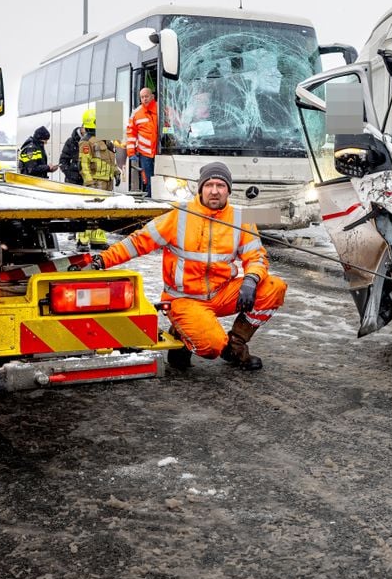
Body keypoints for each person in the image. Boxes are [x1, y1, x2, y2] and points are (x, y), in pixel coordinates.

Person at [91, 161, 285, 371]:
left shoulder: (240, 218)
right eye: (209, 185)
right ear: (200, 188)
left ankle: (236, 346)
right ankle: (182, 334)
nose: (214, 191)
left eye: (220, 186)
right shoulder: (179, 215)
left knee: (274, 287)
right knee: (211, 347)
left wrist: (251, 279)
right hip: (184, 298)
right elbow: (138, 242)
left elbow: (256, 256)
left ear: (228, 190)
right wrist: (102, 260)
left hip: (221, 293)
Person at [76, 107, 120, 249]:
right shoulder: (86, 141)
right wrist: (89, 182)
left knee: (102, 212)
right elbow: (84, 164)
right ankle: (82, 240)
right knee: (89, 212)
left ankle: (97, 239)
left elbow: (110, 161)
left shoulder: (106, 140)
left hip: (107, 181)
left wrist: (116, 173)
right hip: (95, 181)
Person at [126, 87, 158, 193]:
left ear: (152, 96)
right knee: (148, 181)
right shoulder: (136, 113)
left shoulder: (161, 108)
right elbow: (131, 134)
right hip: (145, 154)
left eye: (146, 96)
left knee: (160, 181)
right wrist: (131, 153)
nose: (144, 99)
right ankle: (150, 200)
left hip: (161, 152)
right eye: (142, 97)